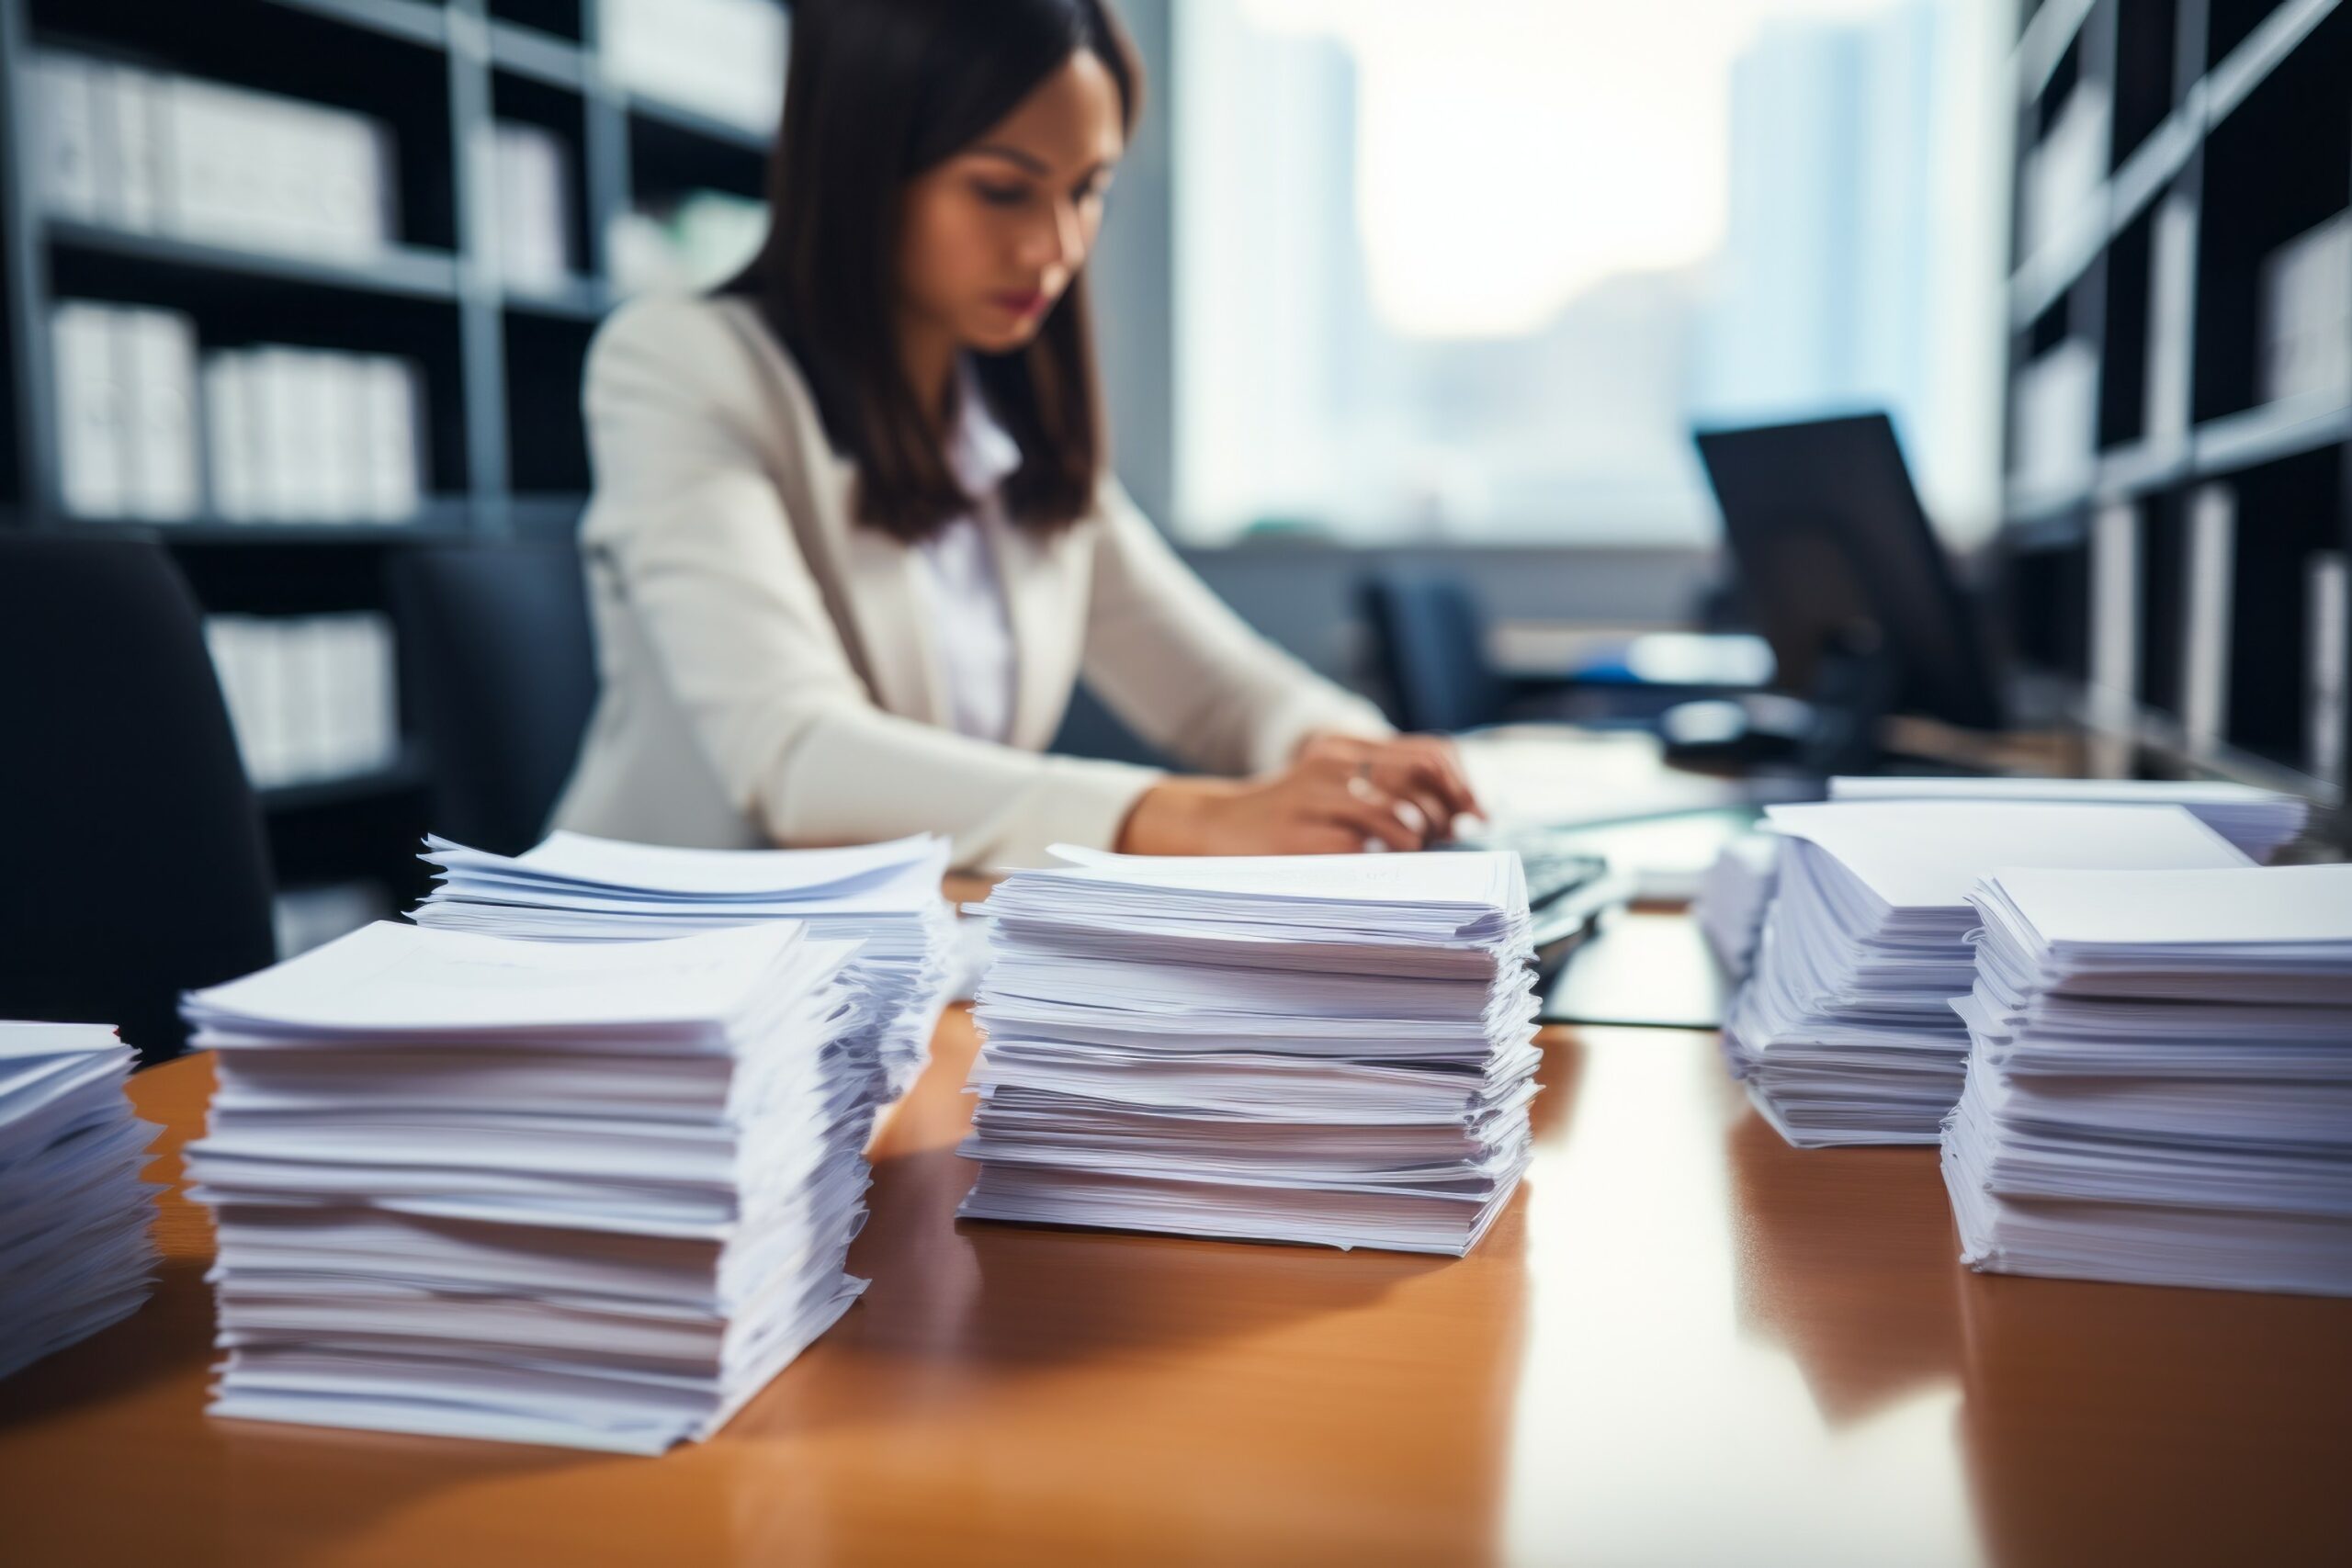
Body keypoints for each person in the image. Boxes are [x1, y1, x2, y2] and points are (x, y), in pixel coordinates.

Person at [550, 0, 1480, 869]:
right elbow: (793, 754)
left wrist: (1356, 761)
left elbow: (1224, 693)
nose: (1057, 248)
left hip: (904, 967)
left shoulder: (1010, 422)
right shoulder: (680, 363)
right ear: (866, 165)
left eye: (1087, 191)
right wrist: (1195, 817)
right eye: (1003, 190)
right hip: (671, 970)